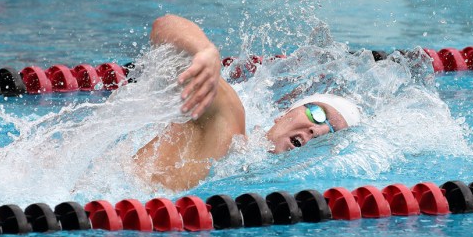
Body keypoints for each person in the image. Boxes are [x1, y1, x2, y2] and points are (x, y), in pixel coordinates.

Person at [133, 14, 362, 191]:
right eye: (318, 113)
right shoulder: (228, 120)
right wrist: (204, 50)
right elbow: (163, 26)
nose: (319, 129)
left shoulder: (264, 188)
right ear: (283, 113)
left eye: (331, 134)